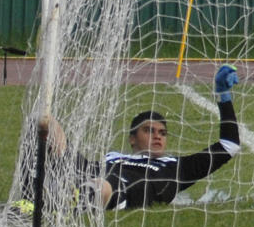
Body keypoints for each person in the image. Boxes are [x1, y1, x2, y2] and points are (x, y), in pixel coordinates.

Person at [30, 65, 241, 210]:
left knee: (106, 185)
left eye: (163, 133)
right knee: (44, 124)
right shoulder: (113, 156)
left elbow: (229, 145)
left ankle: (64, 198)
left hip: (123, 188)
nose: (158, 137)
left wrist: (223, 96)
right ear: (132, 139)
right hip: (88, 173)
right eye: (149, 131)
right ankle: (32, 197)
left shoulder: (177, 167)